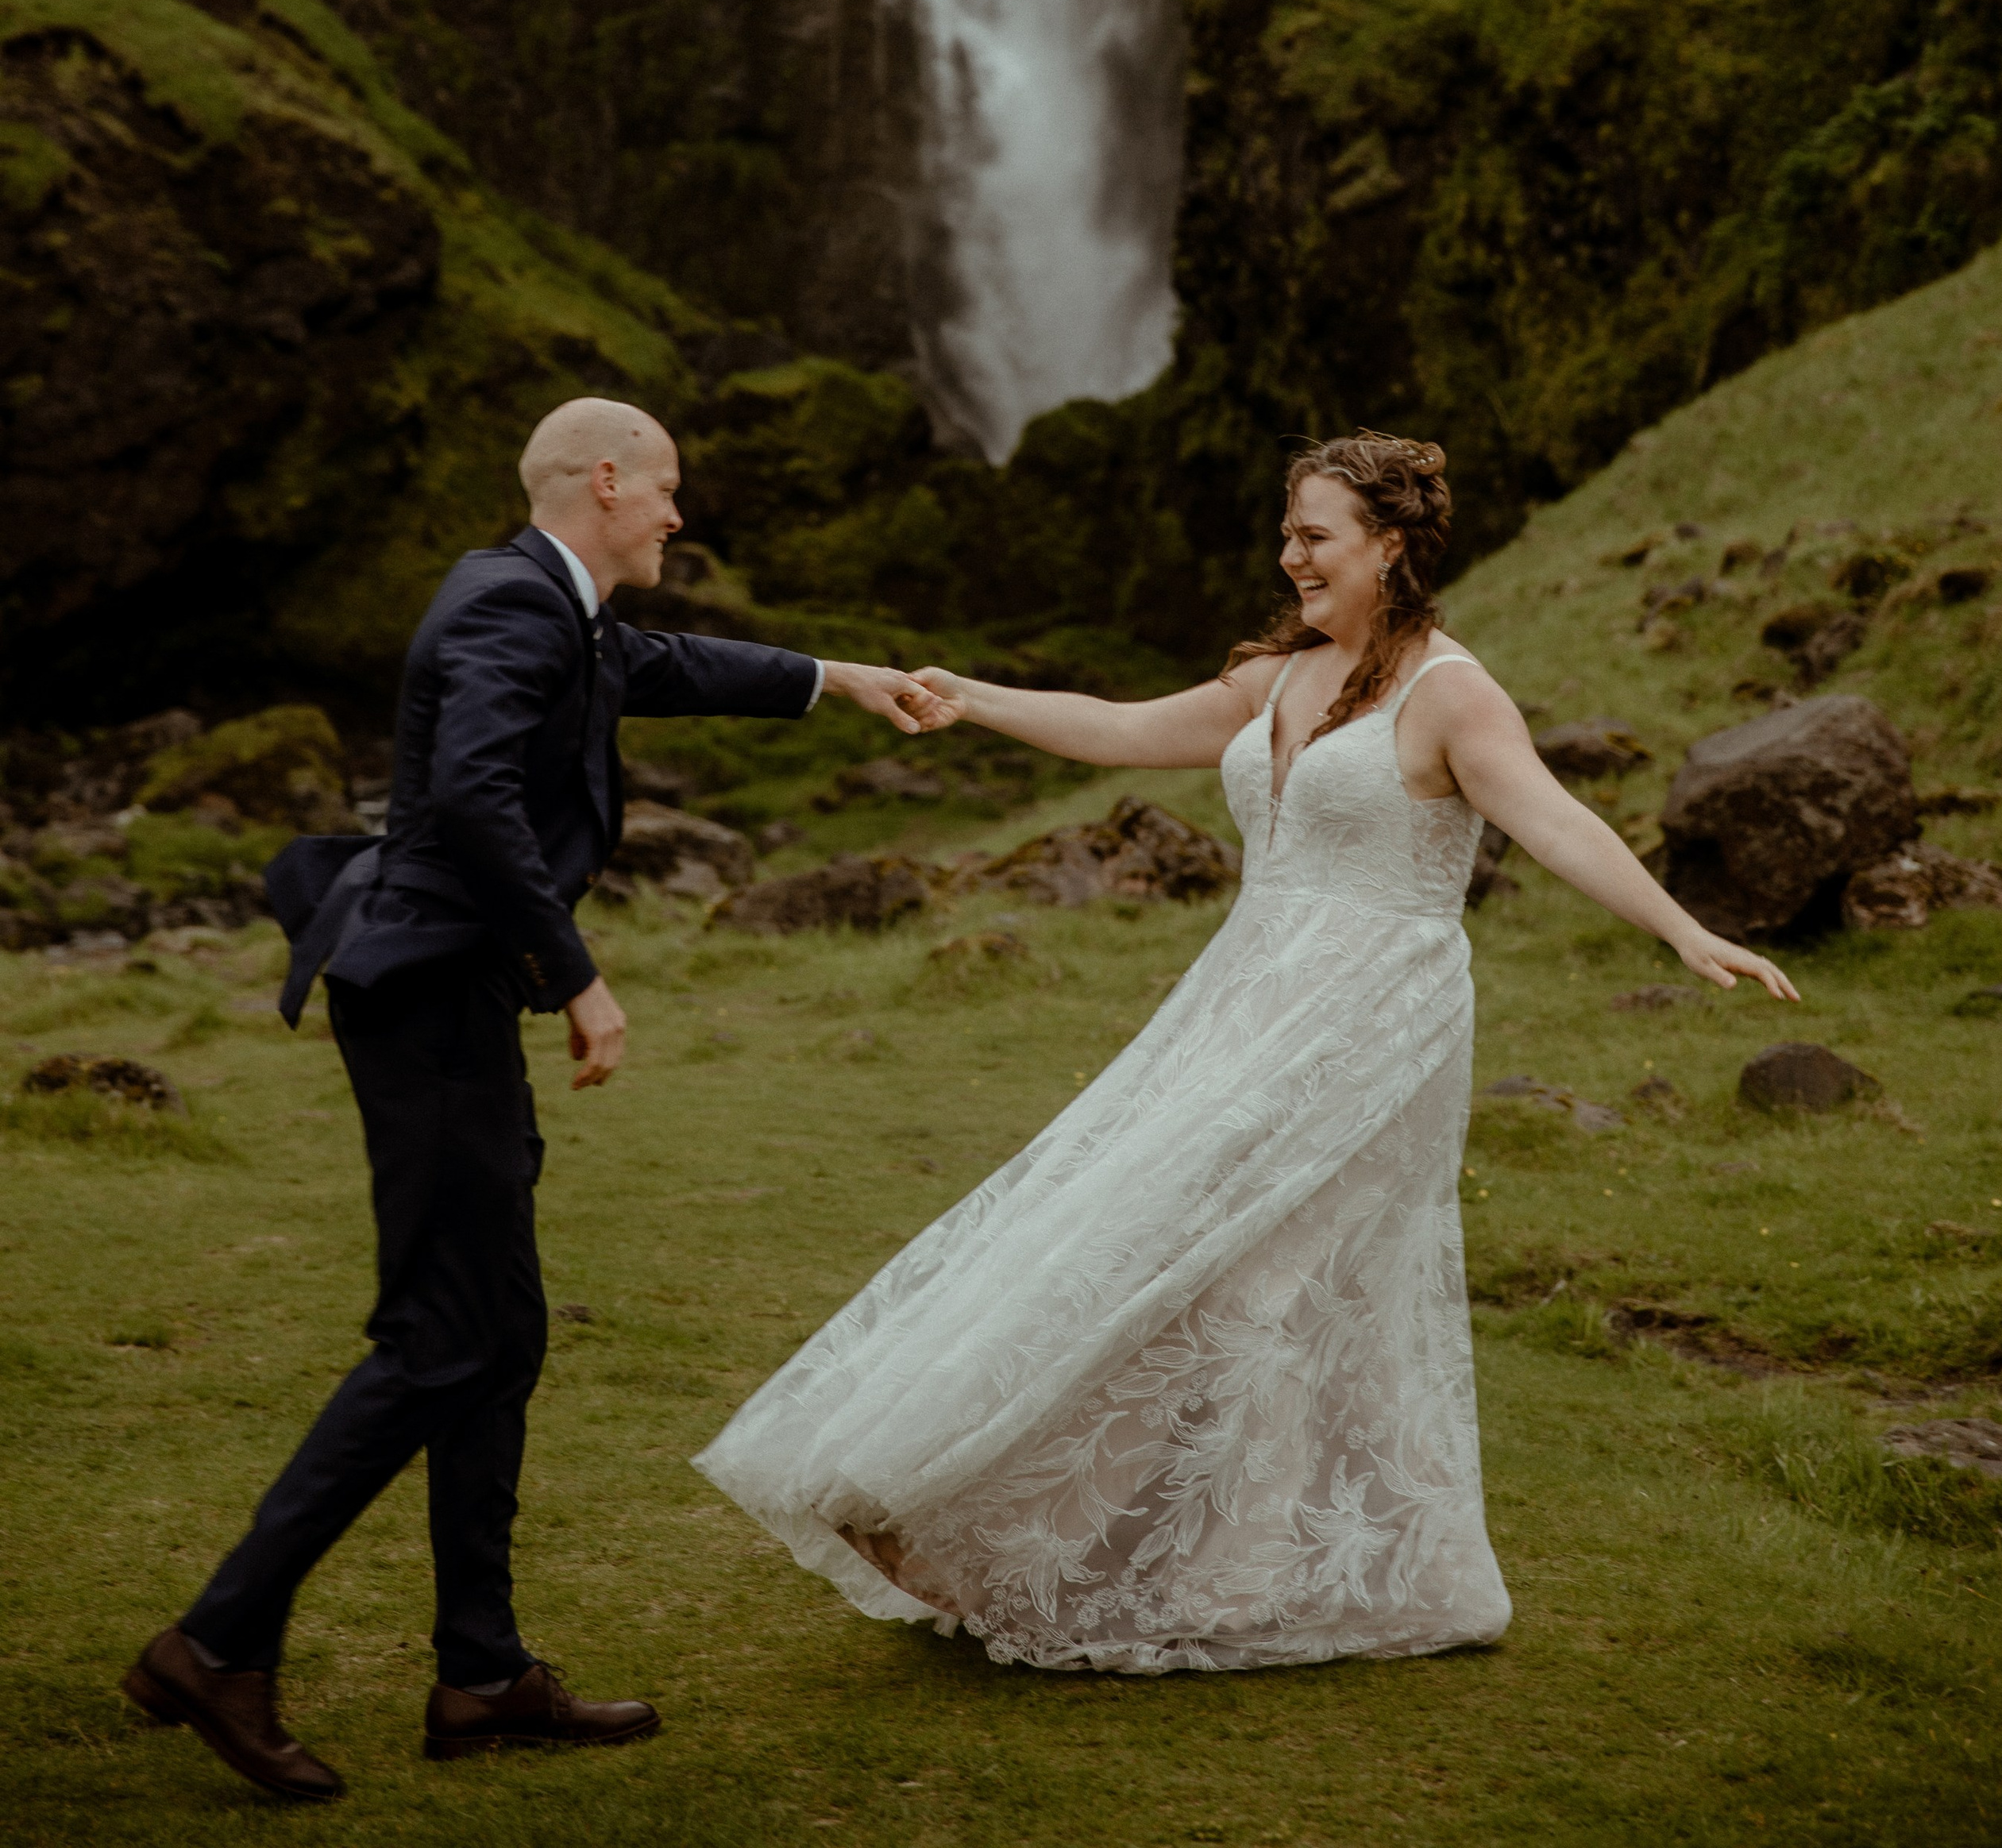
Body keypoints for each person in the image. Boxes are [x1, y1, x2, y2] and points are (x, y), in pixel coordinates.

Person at [695, 430, 1797, 1674]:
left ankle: (1210, 1562)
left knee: (1269, 1281)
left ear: (1390, 544)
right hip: (1246, 992)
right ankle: (964, 1513)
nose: (1292, 557)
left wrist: (1682, 927)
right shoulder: (1283, 671)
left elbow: (1550, 817)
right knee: (1136, 1228)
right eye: (1289, 534)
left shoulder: (1452, 692)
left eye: (1316, 536)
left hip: (1376, 1009)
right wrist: (971, 695)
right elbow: (1118, 730)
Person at [123, 396, 952, 1804]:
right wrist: (578, 975)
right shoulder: (508, 607)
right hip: (431, 1001)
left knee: (496, 1339)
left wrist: (843, 677)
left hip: (445, 997)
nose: (681, 520)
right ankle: (215, 1644)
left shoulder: (551, 605)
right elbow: (467, 796)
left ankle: (482, 1673)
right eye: (670, 492)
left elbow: (663, 663)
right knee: (439, 1342)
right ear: (609, 482)